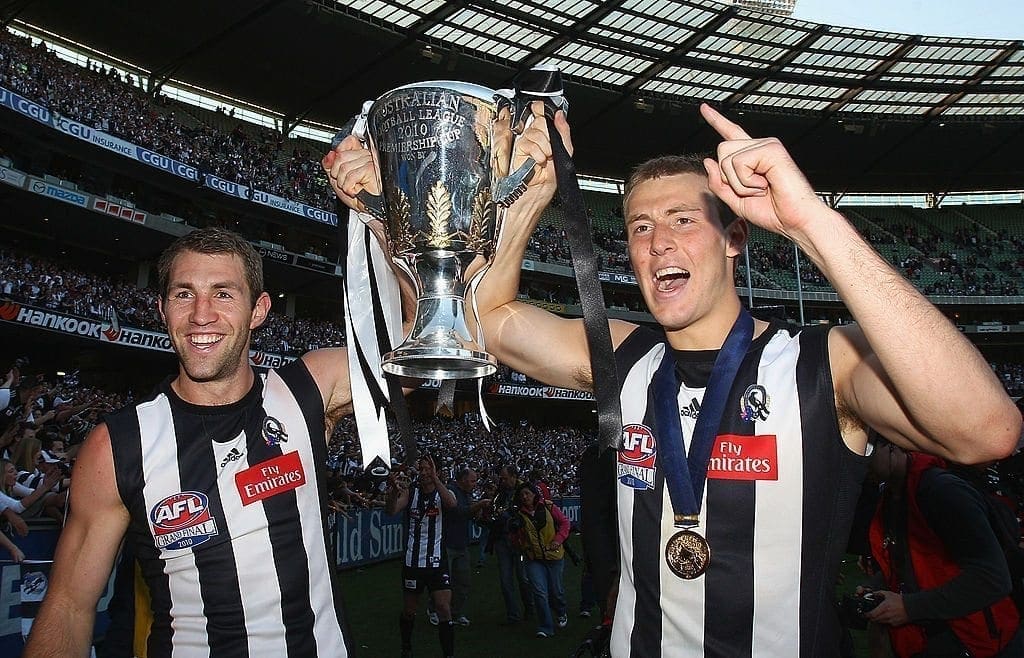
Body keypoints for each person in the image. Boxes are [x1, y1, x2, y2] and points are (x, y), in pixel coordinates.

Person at [323, 100, 1023, 656]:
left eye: (684, 220)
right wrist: (533, 193)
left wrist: (809, 224)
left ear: (735, 236)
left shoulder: (823, 365)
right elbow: (477, 325)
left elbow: (986, 430)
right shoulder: (625, 356)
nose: (658, 241)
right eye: (639, 226)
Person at [22, 226, 408, 657]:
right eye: (184, 294)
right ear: (162, 309)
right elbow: (70, 608)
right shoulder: (116, 445)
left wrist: (376, 215)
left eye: (223, 293)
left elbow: (422, 348)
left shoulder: (308, 390)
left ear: (258, 310)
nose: (201, 314)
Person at [863, 439, 1023, 657]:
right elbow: (913, 563)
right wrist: (876, 587)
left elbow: (993, 578)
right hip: (939, 639)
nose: (860, 466)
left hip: (980, 640)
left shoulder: (941, 490)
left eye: (866, 454)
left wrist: (909, 607)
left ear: (891, 445)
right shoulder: (893, 495)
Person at [385, 452, 458, 658]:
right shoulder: (411, 492)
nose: (424, 472)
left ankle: (448, 653)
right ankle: (406, 648)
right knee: (409, 610)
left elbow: (452, 505)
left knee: (444, 608)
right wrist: (392, 490)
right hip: (413, 562)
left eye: (428, 468)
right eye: (422, 468)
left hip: (437, 561)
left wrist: (436, 478)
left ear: (437, 470)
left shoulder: (444, 493)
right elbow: (391, 511)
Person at [431, 466, 491, 627]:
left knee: (463, 582)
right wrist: (478, 505)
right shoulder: (450, 491)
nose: (475, 484)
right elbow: (457, 511)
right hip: (447, 543)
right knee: (443, 582)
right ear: (463, 480)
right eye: (472, 480)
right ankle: (435, 610)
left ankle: (456, 612)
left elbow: (470, 515)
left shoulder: (467, 494)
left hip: (461, 543)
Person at [510, 482, 571, 638]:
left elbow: (564, 522)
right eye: (522, 495)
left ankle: (561, 611)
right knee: (539, 592)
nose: (525, 497)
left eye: (527, 494)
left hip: (554, 555)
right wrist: (521, 544)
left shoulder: (548, 506)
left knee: (556, 591)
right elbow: (516, 539)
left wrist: (558, 539)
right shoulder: (518, 515)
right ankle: (545, 626)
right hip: (534, 558)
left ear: (534, 494)